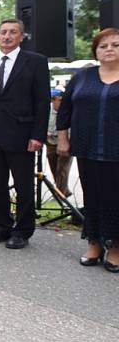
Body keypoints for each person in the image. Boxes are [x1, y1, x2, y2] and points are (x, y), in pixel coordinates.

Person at [0, 18, 50, 250]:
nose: (7, 36)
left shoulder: (35, 62)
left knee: (24, 185)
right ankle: (1, 226)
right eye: (3, 32)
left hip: (22, 135)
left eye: (13, 32)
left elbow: (42, 102)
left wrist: (37, 135)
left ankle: (22, 231)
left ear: (21, 37)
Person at [56, 28, 119, 272]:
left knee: (116, 198)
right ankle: (94, 242)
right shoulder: (83, 77)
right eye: (103, 46)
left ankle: (115, 247)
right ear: (96, 51)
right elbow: (65, 111)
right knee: (92, 196)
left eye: (115, 44)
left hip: (116, 150)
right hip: (87, 148)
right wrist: (62, 138)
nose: (109, 49)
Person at [45, 89, 72, 196]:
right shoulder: (47, 111)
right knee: (54, 167)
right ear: (52, 100)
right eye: (58, 100)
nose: (60, 102)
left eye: (62, 99)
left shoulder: (68, 110)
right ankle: (63, 190)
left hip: (67, 143)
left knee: (62, 169)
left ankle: (60, 195)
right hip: (51, 142)